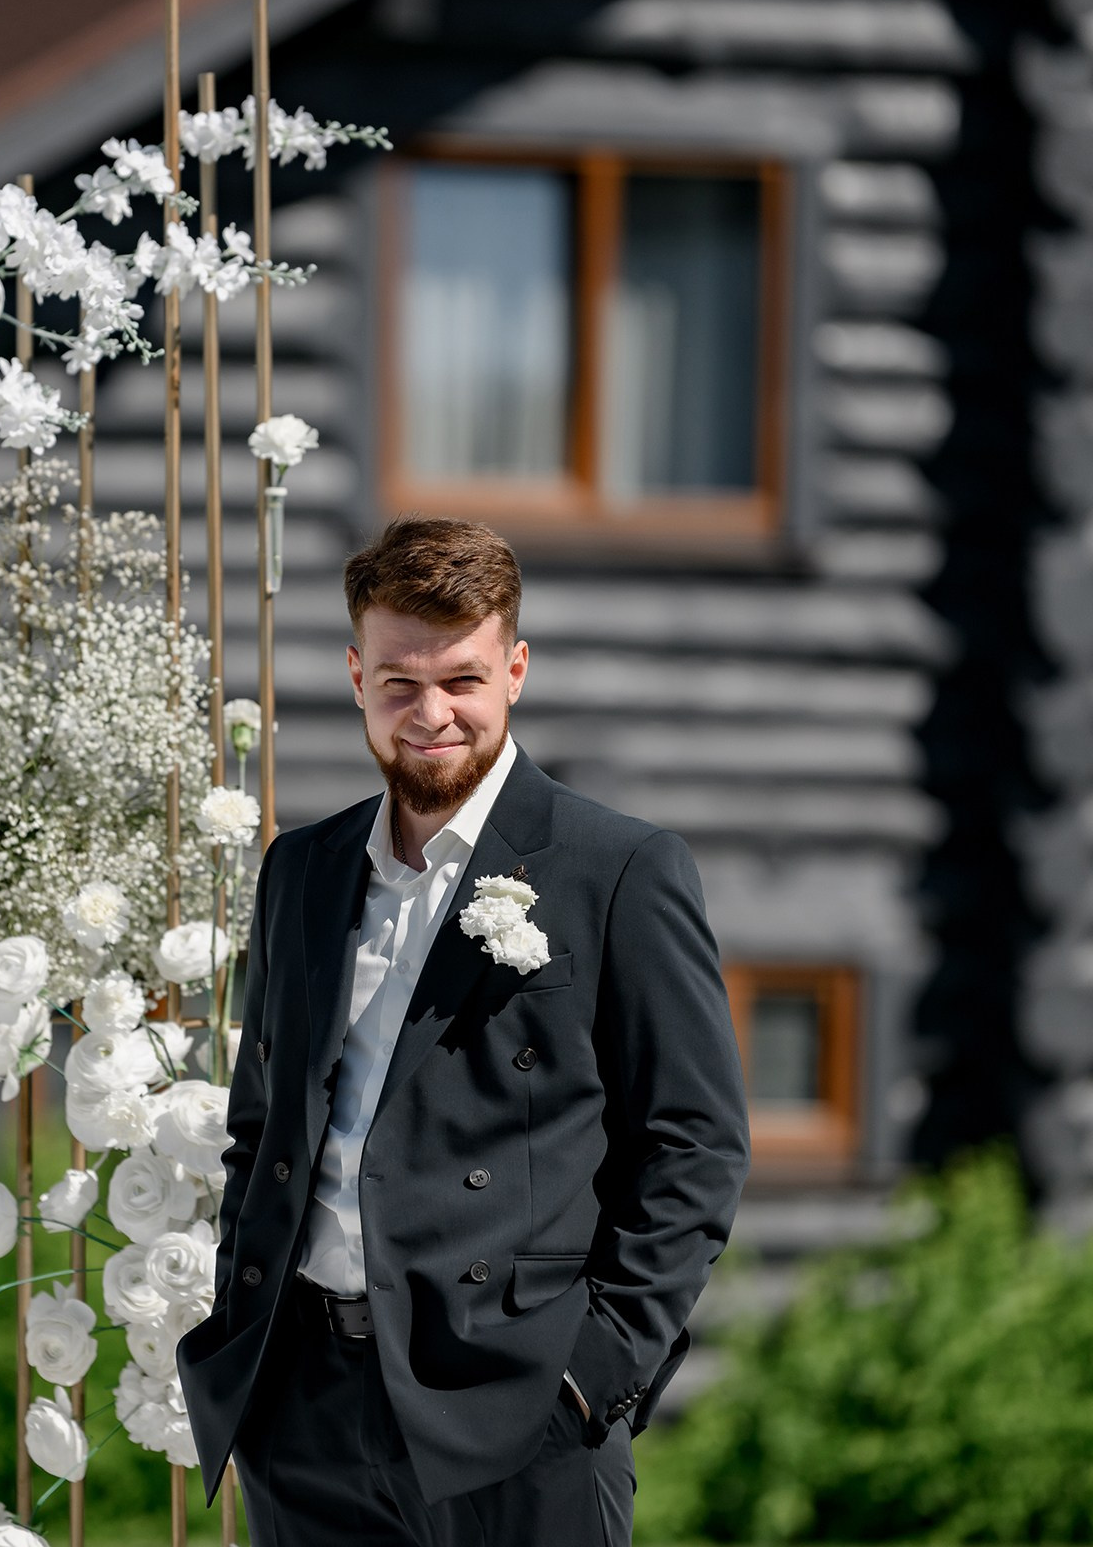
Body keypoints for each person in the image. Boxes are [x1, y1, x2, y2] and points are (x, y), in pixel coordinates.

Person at [178, 516, 750, 1547]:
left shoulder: (619, 869)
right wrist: (241, 1320)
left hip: (515, 1409)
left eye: (463, 680)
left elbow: (696, 1146)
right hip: (301, 1400)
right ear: (356, 675)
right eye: (400, 681)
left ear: (516, 670)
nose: (431, 712)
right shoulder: (299, 871)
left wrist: (594, 1373)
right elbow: (262, 1122)